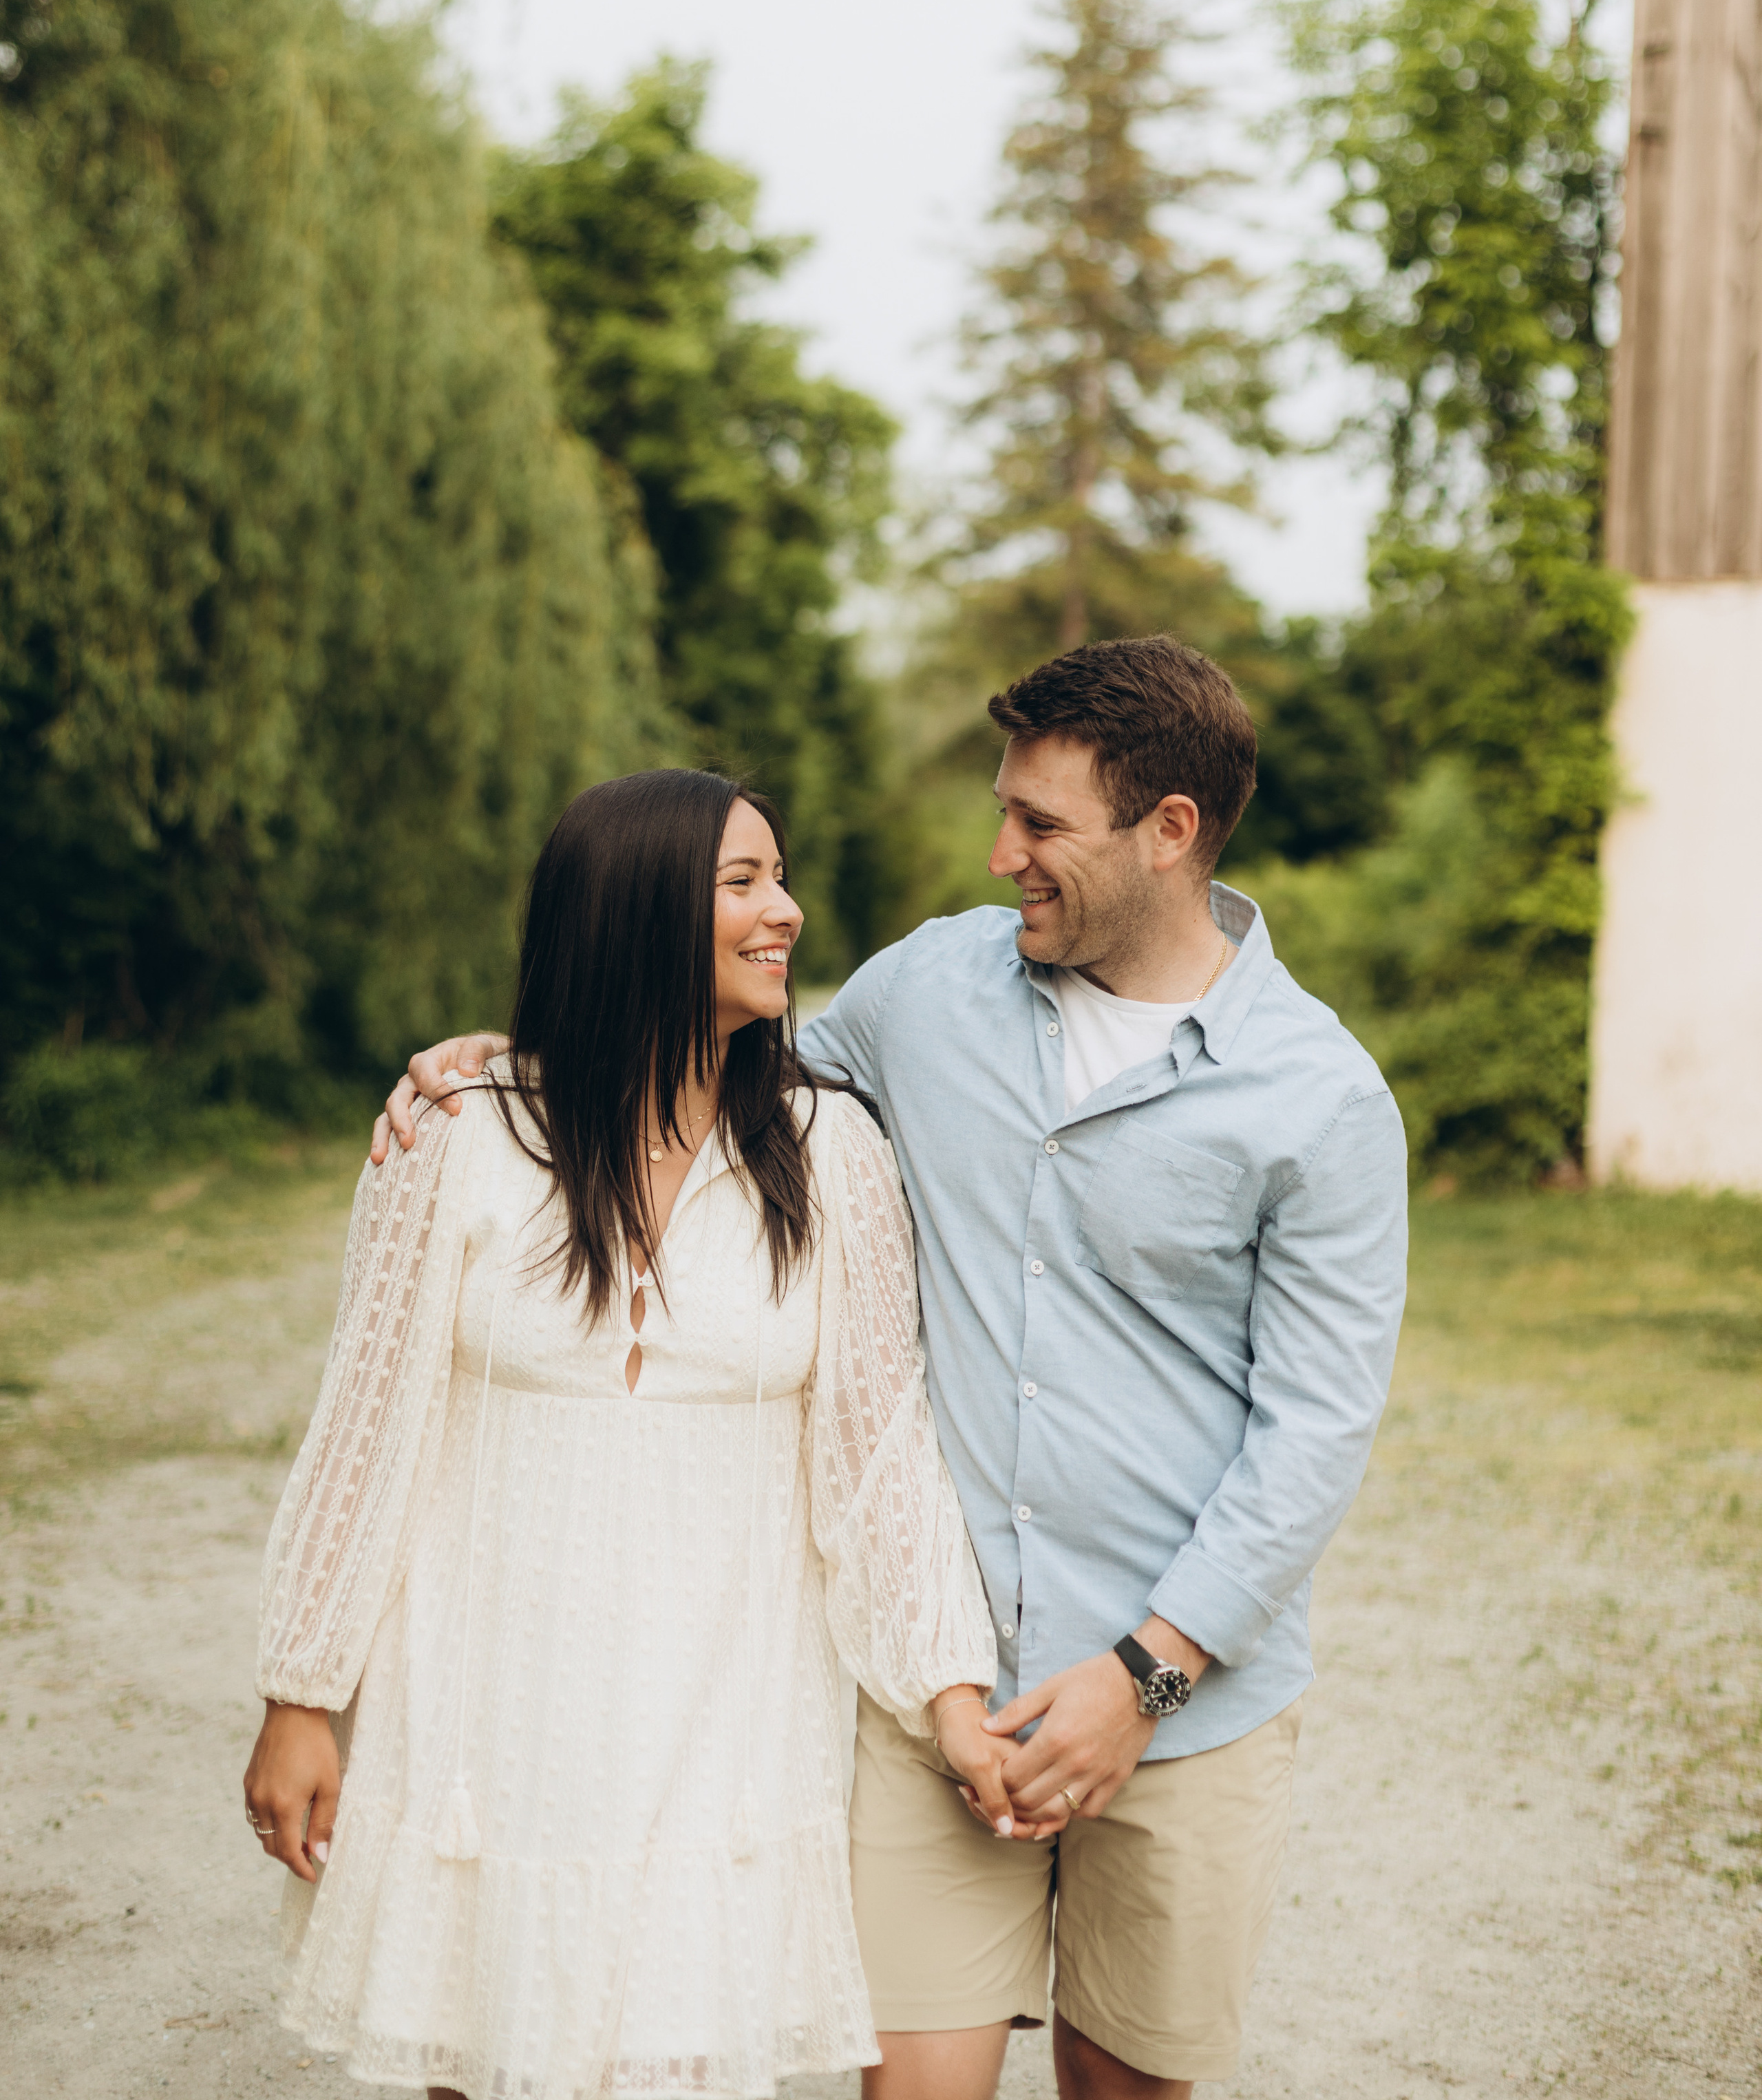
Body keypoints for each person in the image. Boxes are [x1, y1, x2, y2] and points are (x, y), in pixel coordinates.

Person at [383, 635, 1410, 2100]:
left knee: (1127, 2087)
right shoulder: (926, 987)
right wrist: (518, 1063)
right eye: (1005, 811)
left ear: (1168, 832)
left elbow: (1309, 1439)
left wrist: (1145, 1681)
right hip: (934, 1691)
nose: (1002, 854)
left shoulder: (1318, 1103)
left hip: (1181, 1713)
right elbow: (722, 1070)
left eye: (1040, 825)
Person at [244, 767, 1013, 2100]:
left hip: (725, 1718)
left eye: (777, 876)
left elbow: (880, 1458)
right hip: (493, 1715)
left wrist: (949, 1698)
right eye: (742, 882)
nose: (786, 910)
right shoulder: (460, 1140)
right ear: (633, 911)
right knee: (486, 2055)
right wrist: (299, 1695)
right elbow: (364, 1425)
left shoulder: (830, 1156)